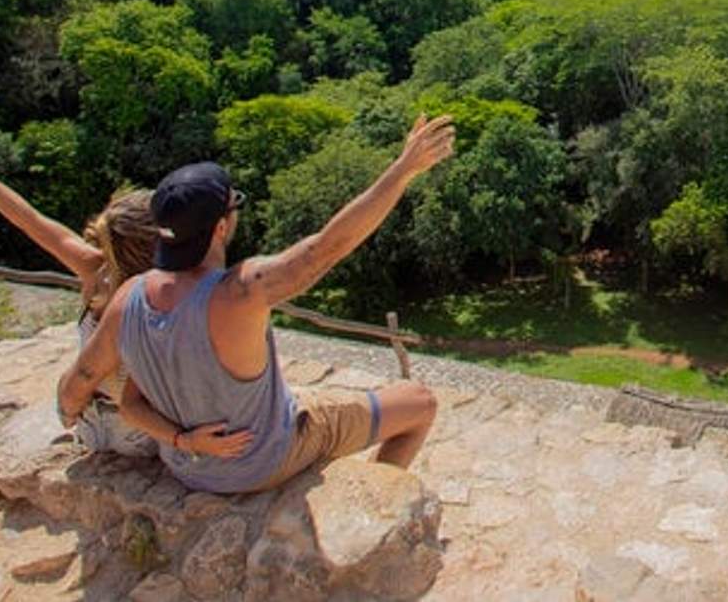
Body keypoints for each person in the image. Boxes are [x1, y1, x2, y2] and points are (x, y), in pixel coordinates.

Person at [57, 114, 453, 494]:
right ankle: (376, 505)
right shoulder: (239, 292)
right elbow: (327, 247)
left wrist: (179, 438)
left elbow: (103, 392)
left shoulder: (129, 299)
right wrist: (404, 169)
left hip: (190, 467)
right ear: (221, 227)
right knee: (420, 402)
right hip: (266, 460)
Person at [0, 130, 236, 459]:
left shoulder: (95, 271)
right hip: (143, 434)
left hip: (89, 423)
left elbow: (30, 220)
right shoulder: (167, 293)